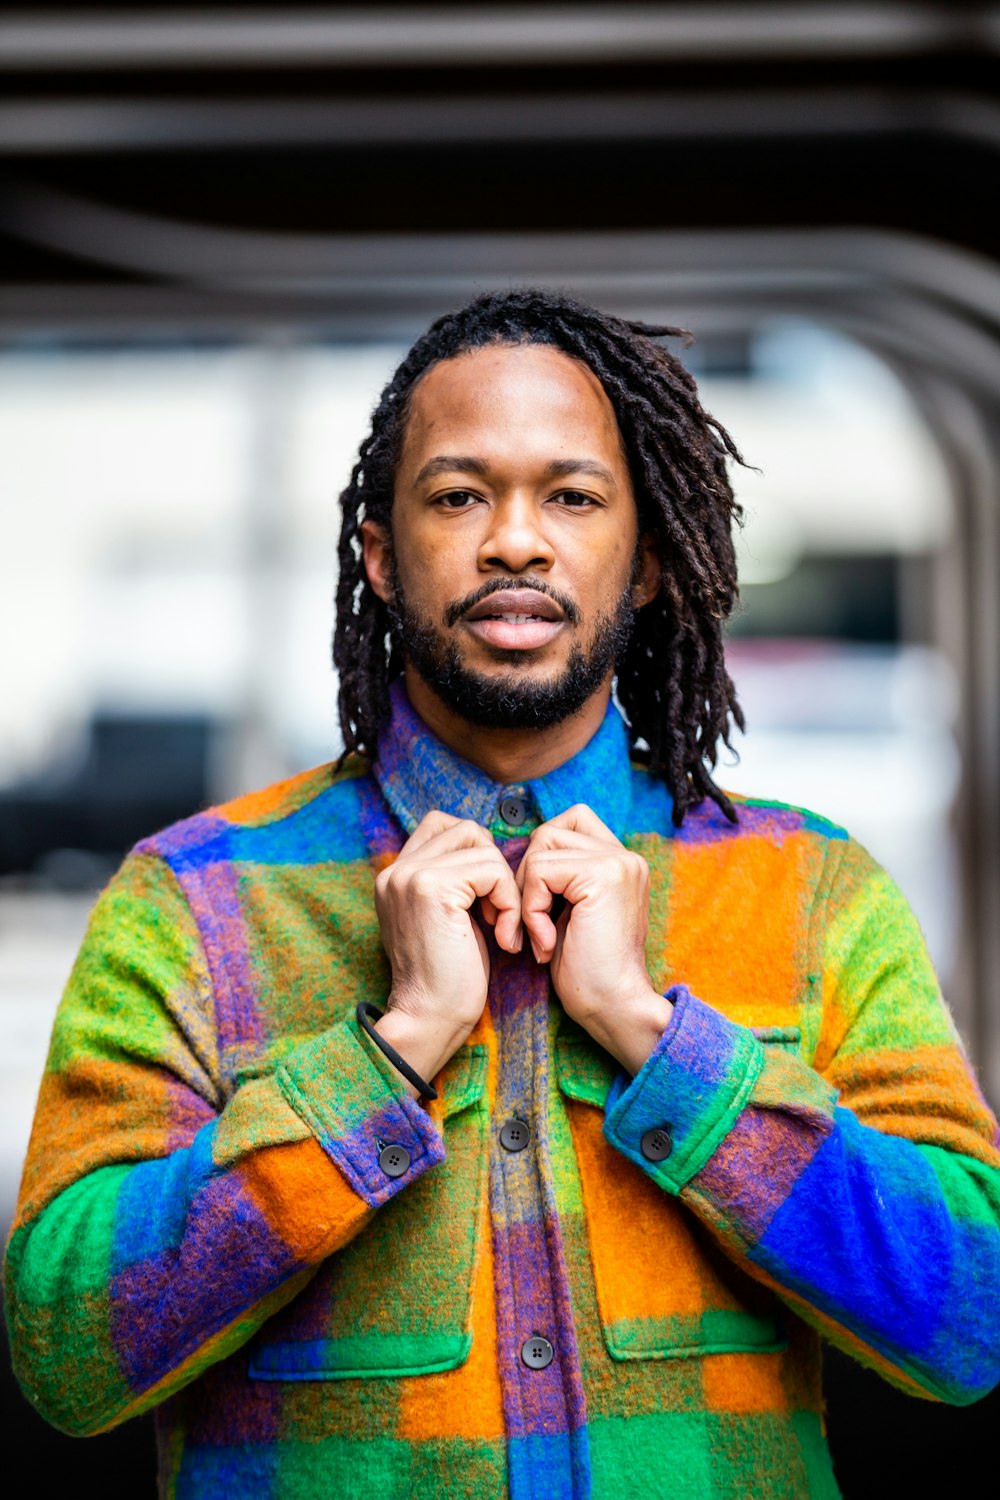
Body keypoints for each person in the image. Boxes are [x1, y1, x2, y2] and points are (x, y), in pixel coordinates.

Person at [5, 288, 1000, 1500]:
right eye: (459, 495)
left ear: (641, 565)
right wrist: (386, 1054)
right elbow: (65, 1354)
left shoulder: (811, 889)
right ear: (379, 555)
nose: (516, 540)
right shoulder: (191, 901)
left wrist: (656, 1036)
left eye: (572, 497)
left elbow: (973, 1321)